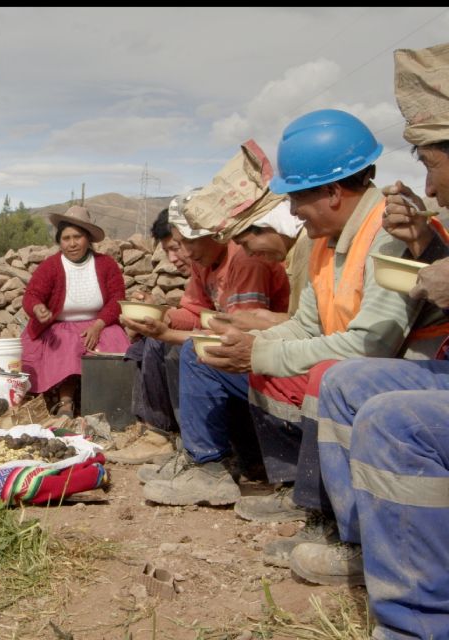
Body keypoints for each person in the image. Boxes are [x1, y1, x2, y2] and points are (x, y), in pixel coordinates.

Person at [141, 109, 443, 564]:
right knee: (244, 363)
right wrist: (246, 346)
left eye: (298, 198)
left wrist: (259, 351)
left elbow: (371, 345)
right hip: (346, 366)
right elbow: (307, 325)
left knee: (327, 379)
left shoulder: (389, 231)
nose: (294, 211)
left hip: (400, 373)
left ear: (334, 193)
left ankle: (340, 523)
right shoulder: (324, 240)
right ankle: (296, 493)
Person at [291, 43, 449, 639]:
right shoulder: (329, 247)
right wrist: (429, 251)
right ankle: (365, 547)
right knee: (345, 383)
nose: (432, 188)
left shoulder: (367, 231)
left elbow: (369, 336)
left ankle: (420, 623)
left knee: (391, 419)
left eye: (433, 164)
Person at [119, 188, 292, 463]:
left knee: (187, 352)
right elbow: (194, 310)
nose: (184, 253)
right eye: (179, 244)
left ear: (213, 232)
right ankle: (160, 435)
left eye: (185, 243)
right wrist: (160, 317)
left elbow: (241, 330)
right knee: (151, 343)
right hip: (236, 336)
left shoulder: (245, 260)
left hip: (264, 347)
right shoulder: (205, 261)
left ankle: (208, 455)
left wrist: (170, 332)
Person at [21, 205, 130, 418]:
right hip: (58, 325)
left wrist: (98, 325)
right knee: (65, 342)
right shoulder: (51, 266)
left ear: (88, 238)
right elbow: (31, 296)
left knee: (116, 341)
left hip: (99, 323)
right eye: (66, 238)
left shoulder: (106, 264)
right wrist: (37, 308)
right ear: (59, 241)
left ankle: (110, 403)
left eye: (77, 237)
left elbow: (118, 299)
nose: (72, 243)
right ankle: (66, 402)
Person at [116, 207, 191, 464]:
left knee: (160, 343)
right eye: (168, 250)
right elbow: (192, 313)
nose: (173, 258)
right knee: (141, 345)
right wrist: (158, 312)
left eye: (177, 247)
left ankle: (165, 432)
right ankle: (153, 430)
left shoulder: (227, 266)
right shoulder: (201, 275)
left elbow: (209, 317)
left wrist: (164, 320)